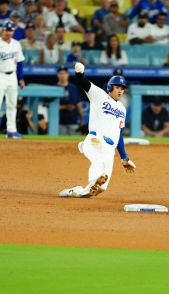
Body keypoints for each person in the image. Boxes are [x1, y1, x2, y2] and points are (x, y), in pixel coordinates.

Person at [58, 62, 136, 198]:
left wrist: (124, 157)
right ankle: (93, 180)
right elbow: (83, 82)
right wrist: (79, 73)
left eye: (122, 88)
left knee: (100, 188)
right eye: (117, 87)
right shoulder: (99, 95)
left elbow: (120, 135)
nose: (120, 91)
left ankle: (76, 191)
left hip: (109, 150)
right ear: (110, 87)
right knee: (98, 163)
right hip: (95, 140)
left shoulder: (122, 109)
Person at [0, 20, 26, 139]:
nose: (8, 32)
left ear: (13, 31)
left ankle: (11, 130)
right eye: (7, 30)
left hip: (12, 76)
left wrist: (21, 78)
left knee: (12, 104)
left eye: (11, 30)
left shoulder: (16, 44)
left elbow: (20, 63)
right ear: (3, 30)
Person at [56, 66, 84, 135]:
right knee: (59, 144)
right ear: (58, 75)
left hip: (73, 122)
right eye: (61, 73)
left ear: (68, 74)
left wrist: (81, 120)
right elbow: (50, 106)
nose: (63, 75)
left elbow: (78, 105)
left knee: (74, 144)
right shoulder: (54, 87)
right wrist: (64, 107)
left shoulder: (73, 87)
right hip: (59, 122)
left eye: (65, 73)